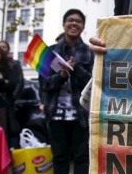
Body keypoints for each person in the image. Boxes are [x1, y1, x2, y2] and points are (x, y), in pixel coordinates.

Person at [39, 9, 94, 174]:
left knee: (82, 158)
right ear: (63, 24)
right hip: (55, 115)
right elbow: (44, 85)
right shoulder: (48, 51)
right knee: (59, 157)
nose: (74, 24)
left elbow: (94, 83)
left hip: (82, 115)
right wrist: (61, 76)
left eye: (78, 21)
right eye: (70, 20)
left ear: (83, 26)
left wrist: (75, 68)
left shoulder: (90, 52)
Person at [0, 40, 23, 148]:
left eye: (4, 47)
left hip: (10, 101)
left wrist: (13, 98)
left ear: (8, 50)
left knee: (12, 128)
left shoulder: (14, 64)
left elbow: (20, 82)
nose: (1, 49)